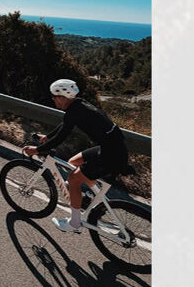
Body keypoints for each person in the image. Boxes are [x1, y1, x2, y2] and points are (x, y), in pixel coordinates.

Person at [23, 79, 128, 233]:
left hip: (111, 154)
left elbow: (61, 137)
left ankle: (75, 223)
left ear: (62, 97)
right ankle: (87, 198)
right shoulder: (78, 104)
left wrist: (37, 150)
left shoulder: (75, 111)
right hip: (113, 148)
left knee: (73, 178)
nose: (53, 99)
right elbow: (66, 123)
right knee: (73, 161)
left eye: (54, 96)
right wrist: (47, 137)